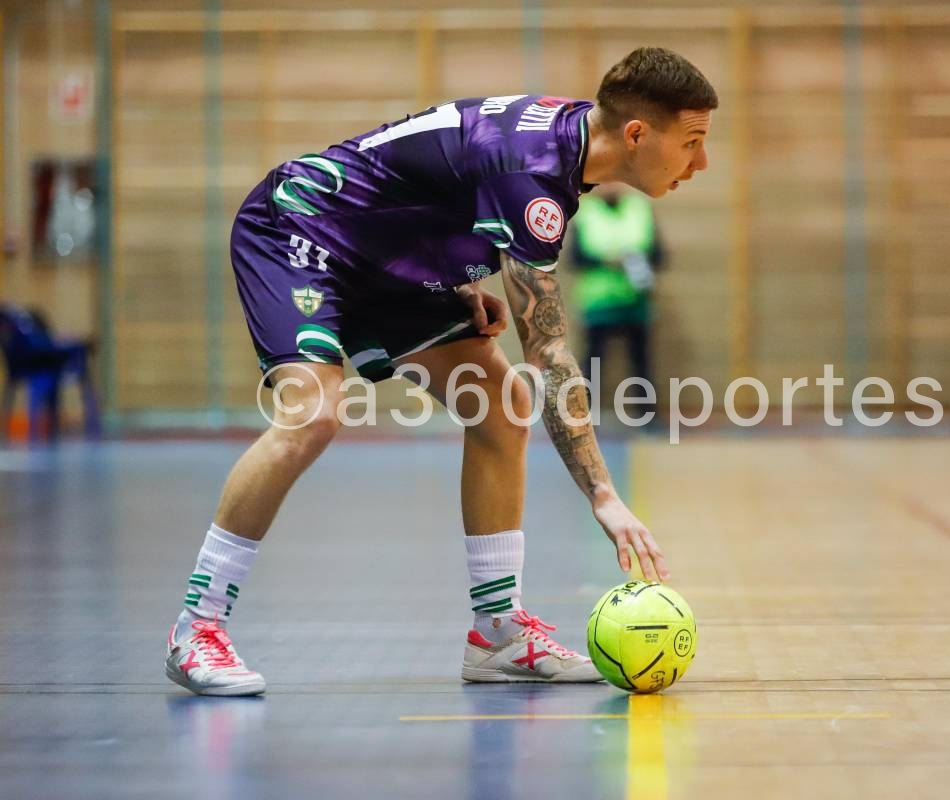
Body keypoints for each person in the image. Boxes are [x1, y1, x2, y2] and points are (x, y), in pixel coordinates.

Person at [164, 47, 717, 695]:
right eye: (693, 142)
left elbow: (433, 186)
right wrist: (605, 496)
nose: (700, 162)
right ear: (636, 134)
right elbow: (549, 354)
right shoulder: (532, 175)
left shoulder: (571, 143)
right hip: (301, 229)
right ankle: (195, 627)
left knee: (500, 409)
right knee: (312, 414)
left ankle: (497, 631)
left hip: (386, 264)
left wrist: (449, 279)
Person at [569, 184, 664, 413]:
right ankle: (585, 415)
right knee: (593, 363)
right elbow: (576, 259)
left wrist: (635, 261)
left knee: (641, 361)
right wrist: (608, 261)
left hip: (635, 299)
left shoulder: (639, 208)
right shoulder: (584, 212)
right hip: (598, 302)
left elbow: (658, 255)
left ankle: (647, 416)